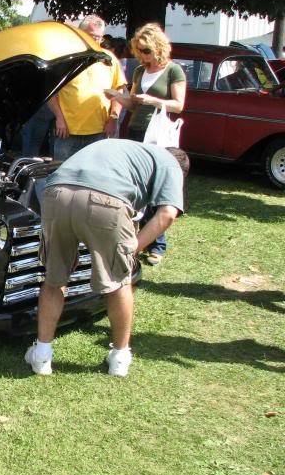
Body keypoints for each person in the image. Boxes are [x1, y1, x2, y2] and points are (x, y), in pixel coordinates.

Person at [24, 139, 189, 377]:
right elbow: (167, 214)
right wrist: (134, 247)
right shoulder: (172, 165)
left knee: (54, 278)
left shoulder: (127, 148)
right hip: (106, 199)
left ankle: (41, 355)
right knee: (119, 281)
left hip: (55, 192)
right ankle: (120, 357)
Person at [105, 23, 186, 265]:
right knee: (135, 186)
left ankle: (157, 245)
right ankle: (135, 238)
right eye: (138, 50)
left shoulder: (174, 70)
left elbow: (179, 105)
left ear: (159, 47)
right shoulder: (140, 71)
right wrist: (118, 97)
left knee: (156, 186)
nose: (142, 55)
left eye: (146, 50)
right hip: (136, 130)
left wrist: (152, 100)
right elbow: (132, 105)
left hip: (158, 134)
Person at [47, 14, 126, 161]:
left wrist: (113, 118)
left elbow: (119, 90)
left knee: (94, 176)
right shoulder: (66, 57)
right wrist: (59, 117)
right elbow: (50, 91)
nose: (95, 40)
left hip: (99, 131)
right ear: (80, 33)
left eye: (98, 37)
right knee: (63, 174)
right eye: (91, 36)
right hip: (68, 131)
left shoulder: (109, 59)